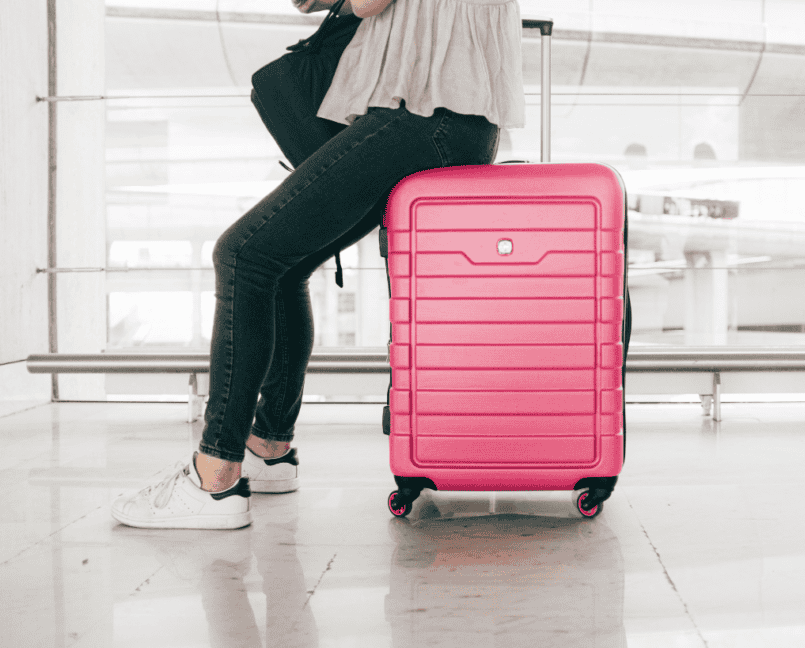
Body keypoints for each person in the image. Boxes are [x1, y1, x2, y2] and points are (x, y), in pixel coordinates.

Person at [111, 0, 525, 529]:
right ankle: (268, 448)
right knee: (283, 265)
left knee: (242, 255)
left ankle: (214, 475)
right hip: (461, 123)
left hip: (421, 116)